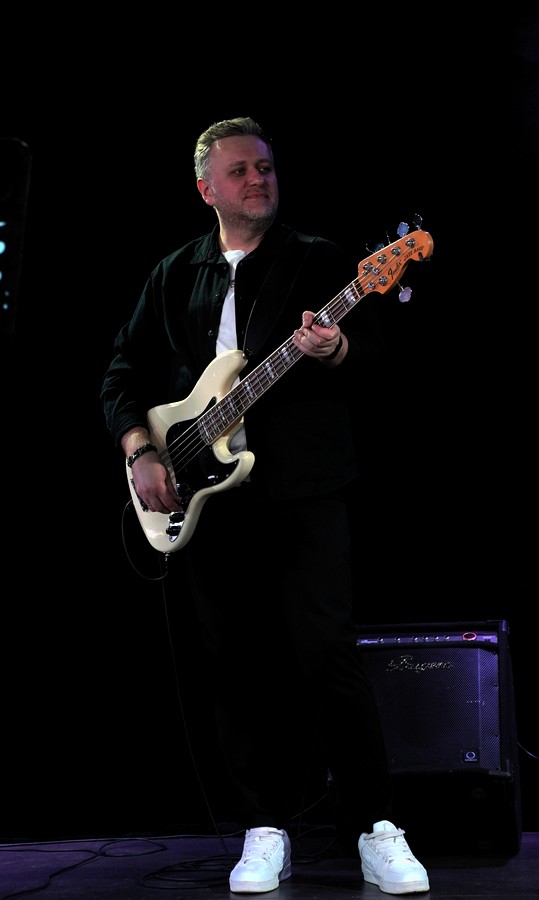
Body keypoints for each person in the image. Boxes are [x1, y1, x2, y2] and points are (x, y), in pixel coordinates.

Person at [100, 116, 430, 895]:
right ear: (205, 189)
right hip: (209, 498)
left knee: (327, 656)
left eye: (267, 168)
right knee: (236, 666)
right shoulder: (174, 274)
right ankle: (265, 826)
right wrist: (143, 452)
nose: (258, 179)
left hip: (304, 490)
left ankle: (375, 827)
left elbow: (378, 353)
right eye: (241, 171)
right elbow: (121, 373)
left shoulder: (319, 261)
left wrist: (335, 347)